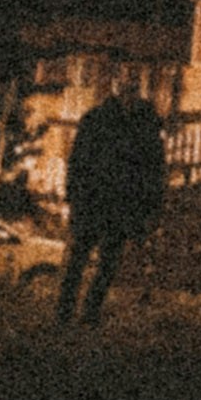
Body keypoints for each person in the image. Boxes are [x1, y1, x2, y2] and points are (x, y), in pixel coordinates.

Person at [58, 85, 170, 324]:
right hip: (112, 204)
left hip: (100, 202)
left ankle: (72, 312)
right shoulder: (144, 127)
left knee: (87, 260)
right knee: (97, 261)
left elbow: (78, 161)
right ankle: (82, 312)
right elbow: (154, 173)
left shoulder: (99, 121)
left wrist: (74, 195)